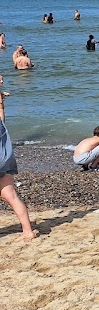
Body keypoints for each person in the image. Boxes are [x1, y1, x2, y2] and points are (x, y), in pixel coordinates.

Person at [0, 81, 38, 239]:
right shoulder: (1, 123)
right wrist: (1, 102)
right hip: (4, 160)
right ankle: (28, 231)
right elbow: (2, 115)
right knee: (12, 197)